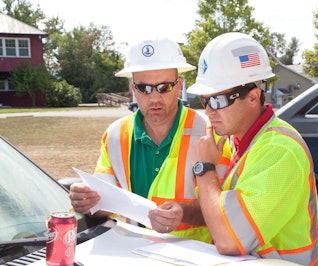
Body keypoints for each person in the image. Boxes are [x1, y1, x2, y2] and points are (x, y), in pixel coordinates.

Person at [69, 36, 230, 243]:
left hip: (195, 256)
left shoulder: (210, 132)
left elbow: (225, 208)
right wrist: (88, 204)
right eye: (144, 88)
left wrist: (184, 213)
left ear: (178, 86)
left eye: (163, 87)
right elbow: (102, 207)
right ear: (133, 88)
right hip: (134, 253)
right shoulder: (115, 135)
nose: (154, 98)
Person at [187, 32, 318, 266]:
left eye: (218, 100)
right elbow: (222, 209)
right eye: (205, 100)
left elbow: (230, 240)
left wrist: (204, 168)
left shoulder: (281, 150)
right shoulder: (237, 140)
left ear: (253, 97)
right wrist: (181, 213)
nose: (209, 111)